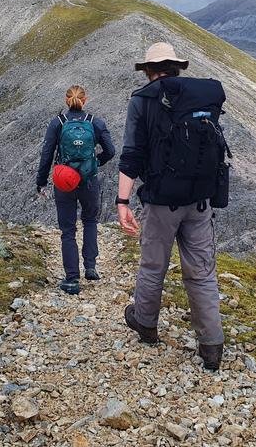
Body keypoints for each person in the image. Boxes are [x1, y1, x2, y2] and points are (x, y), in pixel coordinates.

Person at [116, 42, 227, 370]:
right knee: (202, 272)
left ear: (149, 70)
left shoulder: (142, 100)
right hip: (200, 201)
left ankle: (145, 323)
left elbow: (131, 154)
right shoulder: (200, 97)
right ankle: (211, 345)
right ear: (176, 67)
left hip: (162, 201)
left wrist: (123, 201)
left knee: (153, 265)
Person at [37, 85, 116, 295]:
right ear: (85, 100)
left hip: (64, 182)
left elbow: (46, 154)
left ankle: (72, 279)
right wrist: (95, 163)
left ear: (66, 100)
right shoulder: (95, 123)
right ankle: (90, 267)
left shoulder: (58, 123)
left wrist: (41, 182)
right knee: (90, 221)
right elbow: (110, 151)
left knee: (68, 230)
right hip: (89, 181)